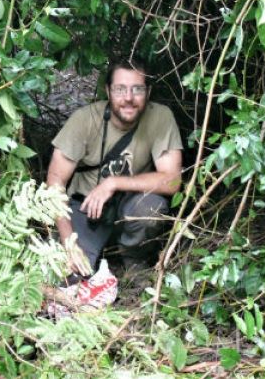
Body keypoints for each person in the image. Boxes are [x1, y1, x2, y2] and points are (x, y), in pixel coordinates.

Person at [46, 60, 183, 276]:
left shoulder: (160, 117)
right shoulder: (84, 120)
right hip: (86, 209)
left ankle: (133, 259)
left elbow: (173, 180)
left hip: (130, 208)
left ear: (148, 92)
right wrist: (68, 242)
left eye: (137, 89)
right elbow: (55, 184)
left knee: (151, 207)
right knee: (69, 274)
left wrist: (113, 183)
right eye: (120, 89)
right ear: (108, 91)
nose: (128, 98)